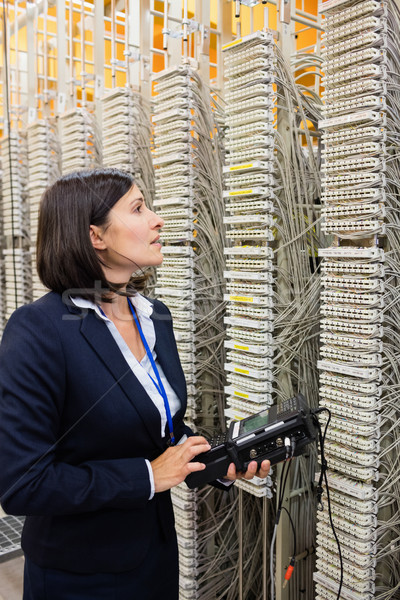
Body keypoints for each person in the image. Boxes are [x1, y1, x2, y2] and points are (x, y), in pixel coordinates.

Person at [0, 168, 270, 600]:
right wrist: (147, 476)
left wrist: (219, 462)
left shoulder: (153, 316)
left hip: (156, 560)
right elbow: (22, 483)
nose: (157, 219)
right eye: (139, 208)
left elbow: (161, 430)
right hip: (81, 576)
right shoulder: (39, 331)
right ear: (95, 237)